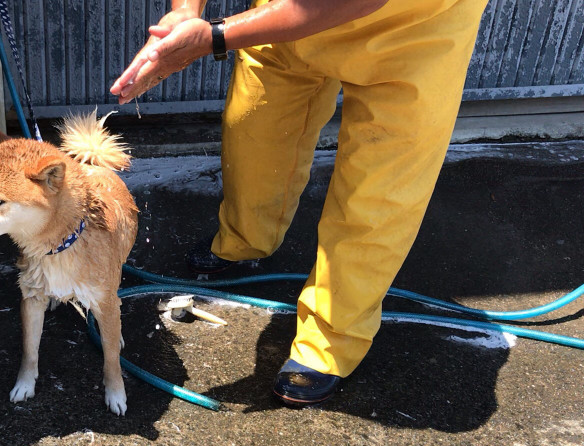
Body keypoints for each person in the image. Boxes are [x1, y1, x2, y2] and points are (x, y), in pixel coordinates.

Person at [110, 0, 488, 405]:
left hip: (411, 30)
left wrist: (215, 36)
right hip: (282, 18)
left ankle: (330, 339)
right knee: (256, 139)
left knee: (378, 195)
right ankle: (246, 237)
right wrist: (186, 11)